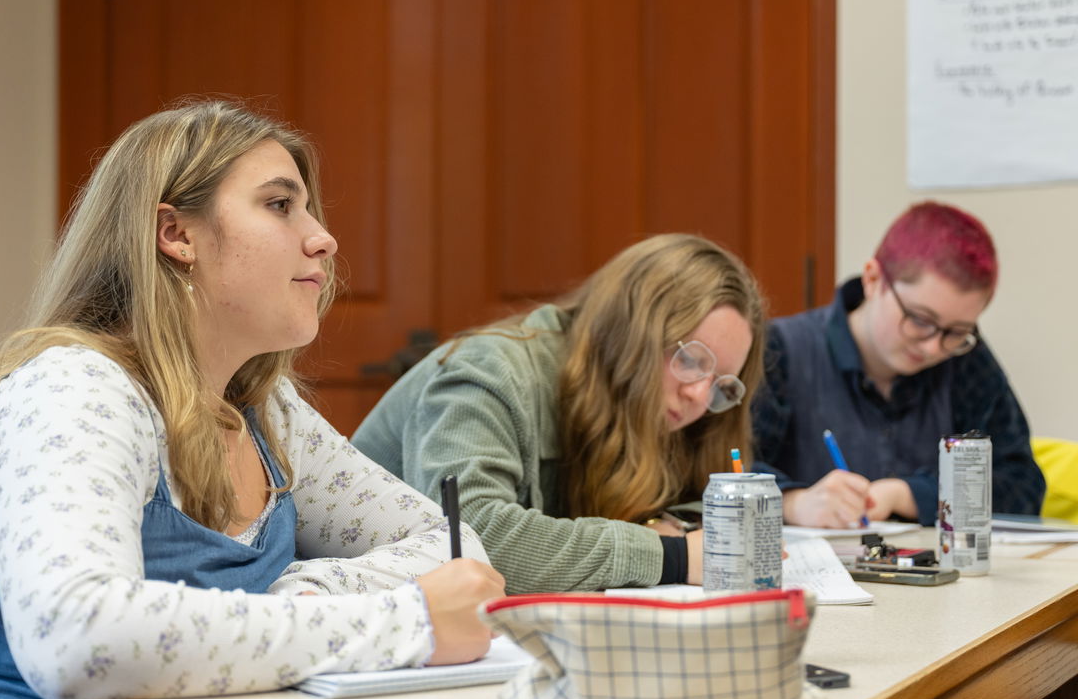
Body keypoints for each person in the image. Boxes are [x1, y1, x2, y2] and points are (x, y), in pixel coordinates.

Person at [0, 100, 505, 699]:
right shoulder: (70, 391)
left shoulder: (264, 409)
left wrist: (304, 595)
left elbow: (449, 546)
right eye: (279, 205)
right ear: (176, 233)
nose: (323, 238)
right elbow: (80, 642)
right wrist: (404, 624)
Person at [352, 234, 766, 595]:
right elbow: (471, 536)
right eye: (691, 360)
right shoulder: (490, 371)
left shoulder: (658, 405)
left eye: (720, 384)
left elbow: (691, 502)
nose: (698, 395)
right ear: (631, 333)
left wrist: (667, 525)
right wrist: (668, 556)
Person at [751, 201, 1044, 528]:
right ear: (873, 279)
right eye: (920, 319)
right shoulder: (780, 350)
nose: (934, 346)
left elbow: (1022, 486)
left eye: (957, 331)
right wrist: (793, 502)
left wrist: (908, 494)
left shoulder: (964, 358)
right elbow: (722, 468)